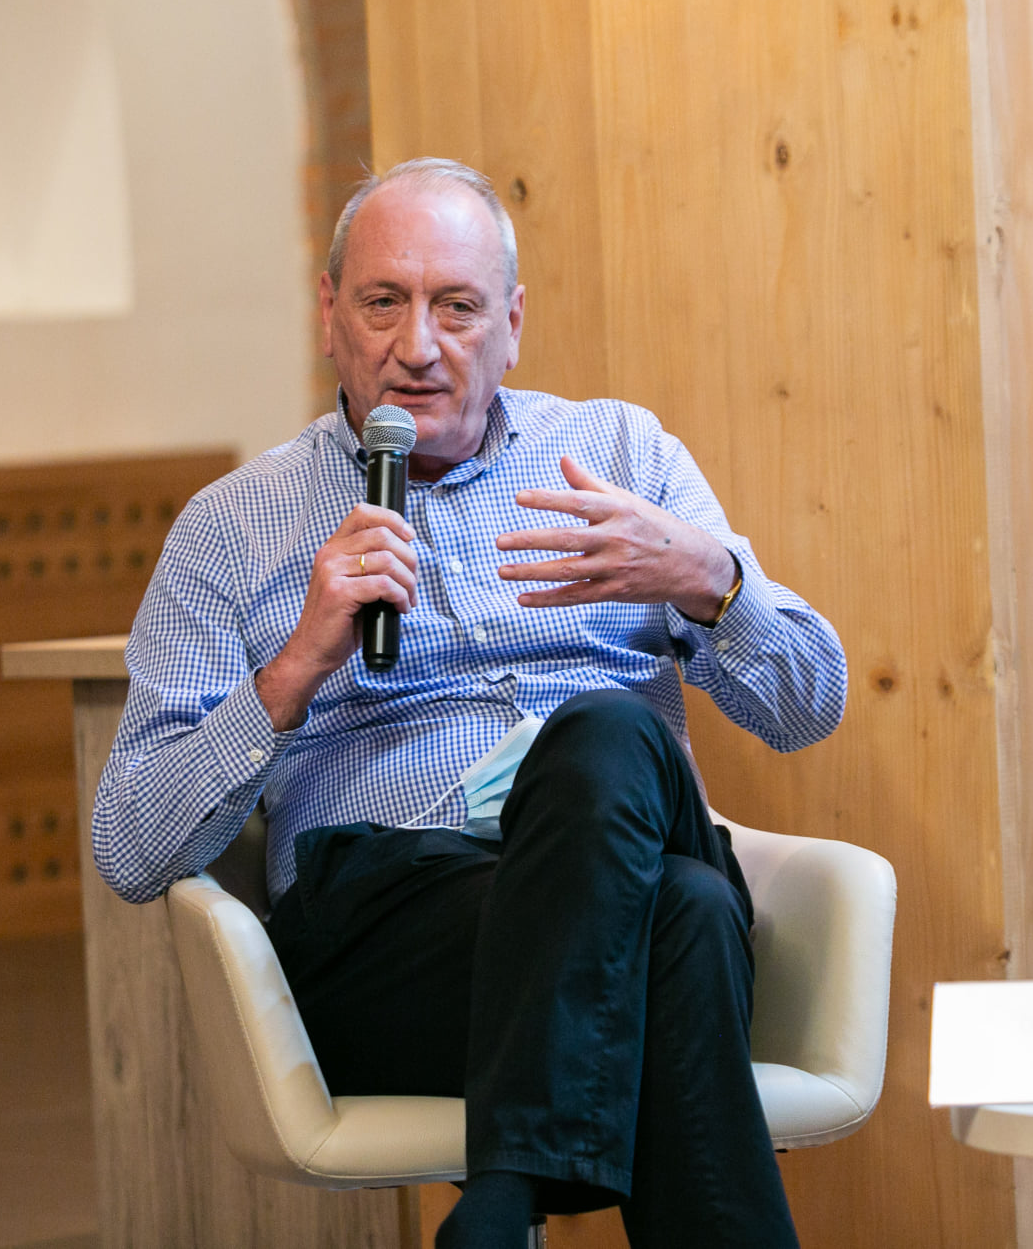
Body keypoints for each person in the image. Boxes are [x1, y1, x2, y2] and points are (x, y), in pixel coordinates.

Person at [92, 158, 847, 1248]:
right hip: (396, 936)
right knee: (679, 919)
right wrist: (295, 667)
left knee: (607, 734)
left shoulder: (621, 456)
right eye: (382, 302)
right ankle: (514, 1184)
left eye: (456, 306)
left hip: (600, 869)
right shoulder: (232, 527)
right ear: (328, 312)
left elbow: (808, 703)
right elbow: (131, 847)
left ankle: (501, 1196)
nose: (417, 346)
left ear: (512, 324)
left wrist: (706, 577)